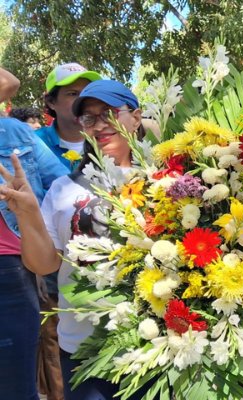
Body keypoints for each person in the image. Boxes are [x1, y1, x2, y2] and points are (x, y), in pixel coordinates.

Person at [0, 79, 146, 400]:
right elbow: (44, 264)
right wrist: (27, 214)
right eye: (89, 118)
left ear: (135, 118)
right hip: (83, 349)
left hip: (151, 347)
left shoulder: (166, 183)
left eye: (109, 113)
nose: (99, 124)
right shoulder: (64, 189)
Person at [0, 113, 68, 399]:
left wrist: (32, 222)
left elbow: (65, 188)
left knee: (15, 386)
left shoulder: (12, 132)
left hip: (9, 268)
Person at [35, 63, 101, 170]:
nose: (82, 100)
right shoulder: (34, 143)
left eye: (87, 93)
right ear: (51, 102)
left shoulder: (106, 140)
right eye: (73, 94)